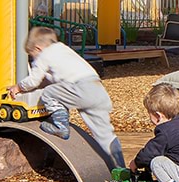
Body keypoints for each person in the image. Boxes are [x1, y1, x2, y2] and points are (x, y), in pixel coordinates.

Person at [8, 27, 124, 169]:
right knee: (105, 135)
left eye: (32, 56)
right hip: (98, 90)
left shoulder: (44, 55)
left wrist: (18, 88)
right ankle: (120, 169)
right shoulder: (63, 50)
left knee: (49, 92)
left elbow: (34, 80)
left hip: (81, 88)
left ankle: (61, 126)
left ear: (37, 48)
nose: (34, 60)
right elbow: (49, 78)